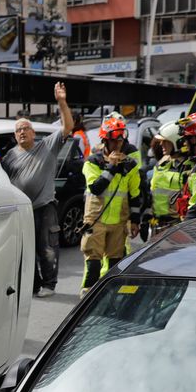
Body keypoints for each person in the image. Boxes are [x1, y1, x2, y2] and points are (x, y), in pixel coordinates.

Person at [0, 82, 73, 298]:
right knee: (26, 250)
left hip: (44, 207)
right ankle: (33, 285)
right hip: (21, 211)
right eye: (18, 130)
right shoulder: (9, 157)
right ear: (15, 136)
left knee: (47, 247)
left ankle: (49, 284)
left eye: (25, 129)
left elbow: (67, 127)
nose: (22, 132)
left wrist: (61, 102)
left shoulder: (47, 145)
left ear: (33, 132)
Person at [80, 115, 142, 297]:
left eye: (120, 141)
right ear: (105, 141)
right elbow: (96, 188)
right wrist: (112, 167)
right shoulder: (93, 162)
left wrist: (136, 220)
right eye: (113, 141)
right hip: (95, 219)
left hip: (119, 221)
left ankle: (111, 298)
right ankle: (86, 297)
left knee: (116, 263)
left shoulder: (130, 165)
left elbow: (135, 194)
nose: (117, 145)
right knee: (93, 262)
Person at [148, 122, 184, 235]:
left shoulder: (187, 167)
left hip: (176, 227)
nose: (161, 144)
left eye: (165, 141)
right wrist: (147, 219)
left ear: (176, 142)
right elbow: (153, 193)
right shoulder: (161, 164)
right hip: (157, 224)